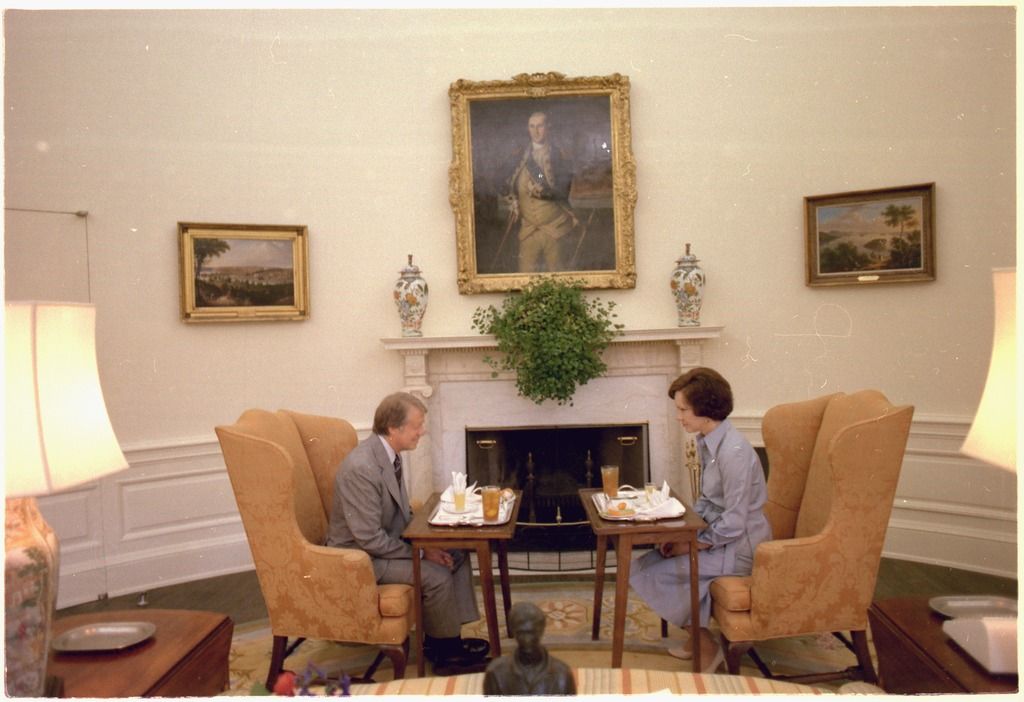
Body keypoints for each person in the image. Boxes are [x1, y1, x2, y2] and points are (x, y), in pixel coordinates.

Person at [325, 391, 489, 669]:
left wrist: (431, 544)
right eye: (417, 426)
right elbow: (369, 538)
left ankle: (445, 639)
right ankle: (448, 654)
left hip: (382, 546)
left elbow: (400, 514)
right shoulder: (362, 467)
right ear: (393, 427)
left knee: (457, 552)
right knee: (435, 574)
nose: (422, 432)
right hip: (361, 559)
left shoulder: (390, 455)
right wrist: (423, 553)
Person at [629, 368, 772, 672]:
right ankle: (697, 638)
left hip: (741, 548)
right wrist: (682, 536)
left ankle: (705, 645)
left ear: (706, 408)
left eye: (683, 409)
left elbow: (734, 521)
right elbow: (707, 501)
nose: (679, 417)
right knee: (646, 563)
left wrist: (693, 545)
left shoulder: (733, 452)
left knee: (654, 573)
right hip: (722, 540)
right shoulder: (708, 442)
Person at [503, 110, 579, 272]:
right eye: (532, 126)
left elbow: (563, 192)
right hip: (528, 229)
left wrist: (542, 192)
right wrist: (512, 201)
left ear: (548, 128)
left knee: (558, 278)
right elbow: (500, 182)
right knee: (525, 279)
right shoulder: (519, 156)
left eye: (540, 126)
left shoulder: (560, 156)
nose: (536, 131)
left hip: (555, 229)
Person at [483, 602, 576, 695]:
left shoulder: (562, 675)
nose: (527, 640)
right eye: (521, 633)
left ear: (542, 630)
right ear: (512, 630)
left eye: (532, 632)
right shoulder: (495, 674)